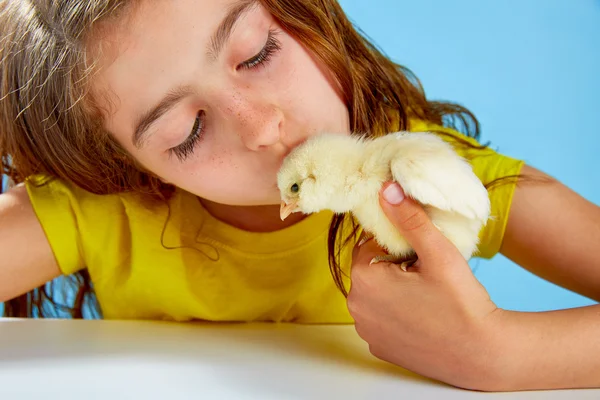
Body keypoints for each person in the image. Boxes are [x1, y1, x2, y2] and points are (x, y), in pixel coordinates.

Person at [0, 0, 598, 392]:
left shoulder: (429, 175)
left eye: (258, 53)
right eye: (186, 133)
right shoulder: (106, 210)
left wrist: (503, 352)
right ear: (125, 168)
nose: (261, 127)